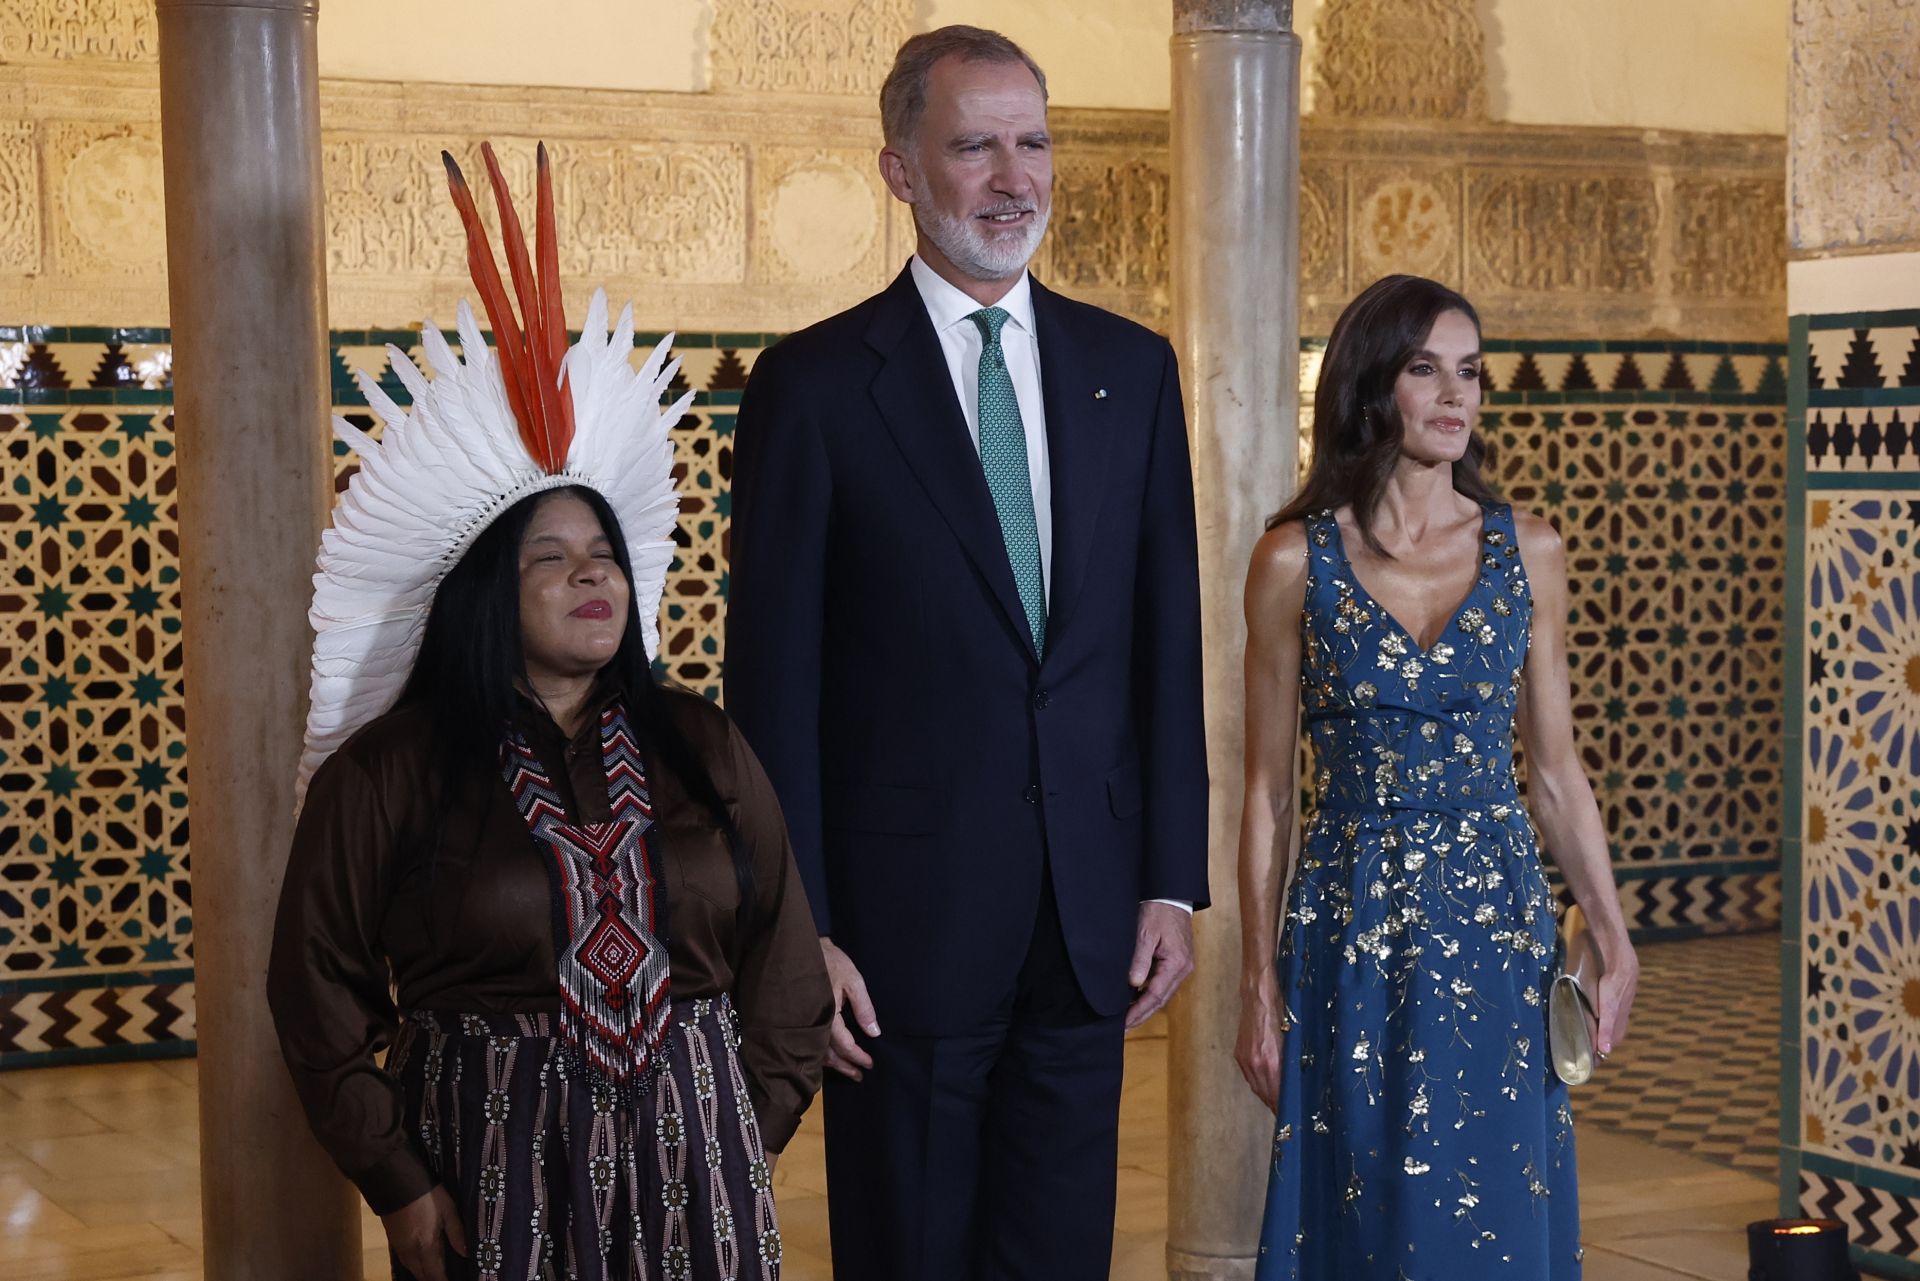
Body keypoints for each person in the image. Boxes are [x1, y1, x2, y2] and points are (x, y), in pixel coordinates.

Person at [269, 144, 831, 1281]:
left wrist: (733, 1124)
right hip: (490, 1172)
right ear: (489, 591)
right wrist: (401, 1180)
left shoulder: (703, 745)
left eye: (606, 558)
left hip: (699, 1176)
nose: (595, 580)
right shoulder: (391, 771)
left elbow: (785, 967)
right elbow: (313, 986)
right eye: (553, 559)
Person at [723, 24, 1209, 1281]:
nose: (1015, 178)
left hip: (1089, 912)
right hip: (897, 934)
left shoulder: (1132, 371)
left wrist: (1170, 877)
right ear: (900, 170)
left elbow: (1164, 647)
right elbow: (773, 688)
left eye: (1035, 142)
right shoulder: (814, 389)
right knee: (914, 1247)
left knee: (1062, 1250)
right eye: (975, 145)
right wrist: (800, 929)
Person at [1234, 274, 1640, 1279]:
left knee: (1497, 1196)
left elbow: (1555, 773)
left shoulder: (1526, 550)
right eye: (1428, 370)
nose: (1457, 396)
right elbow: (1267, 793)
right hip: (1351, 920)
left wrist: (1615, 933)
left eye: (1470, 373)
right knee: (1363, 1203)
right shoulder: (1294, 562)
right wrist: (1254, 982)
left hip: (1496, 923)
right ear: (1373, 387)